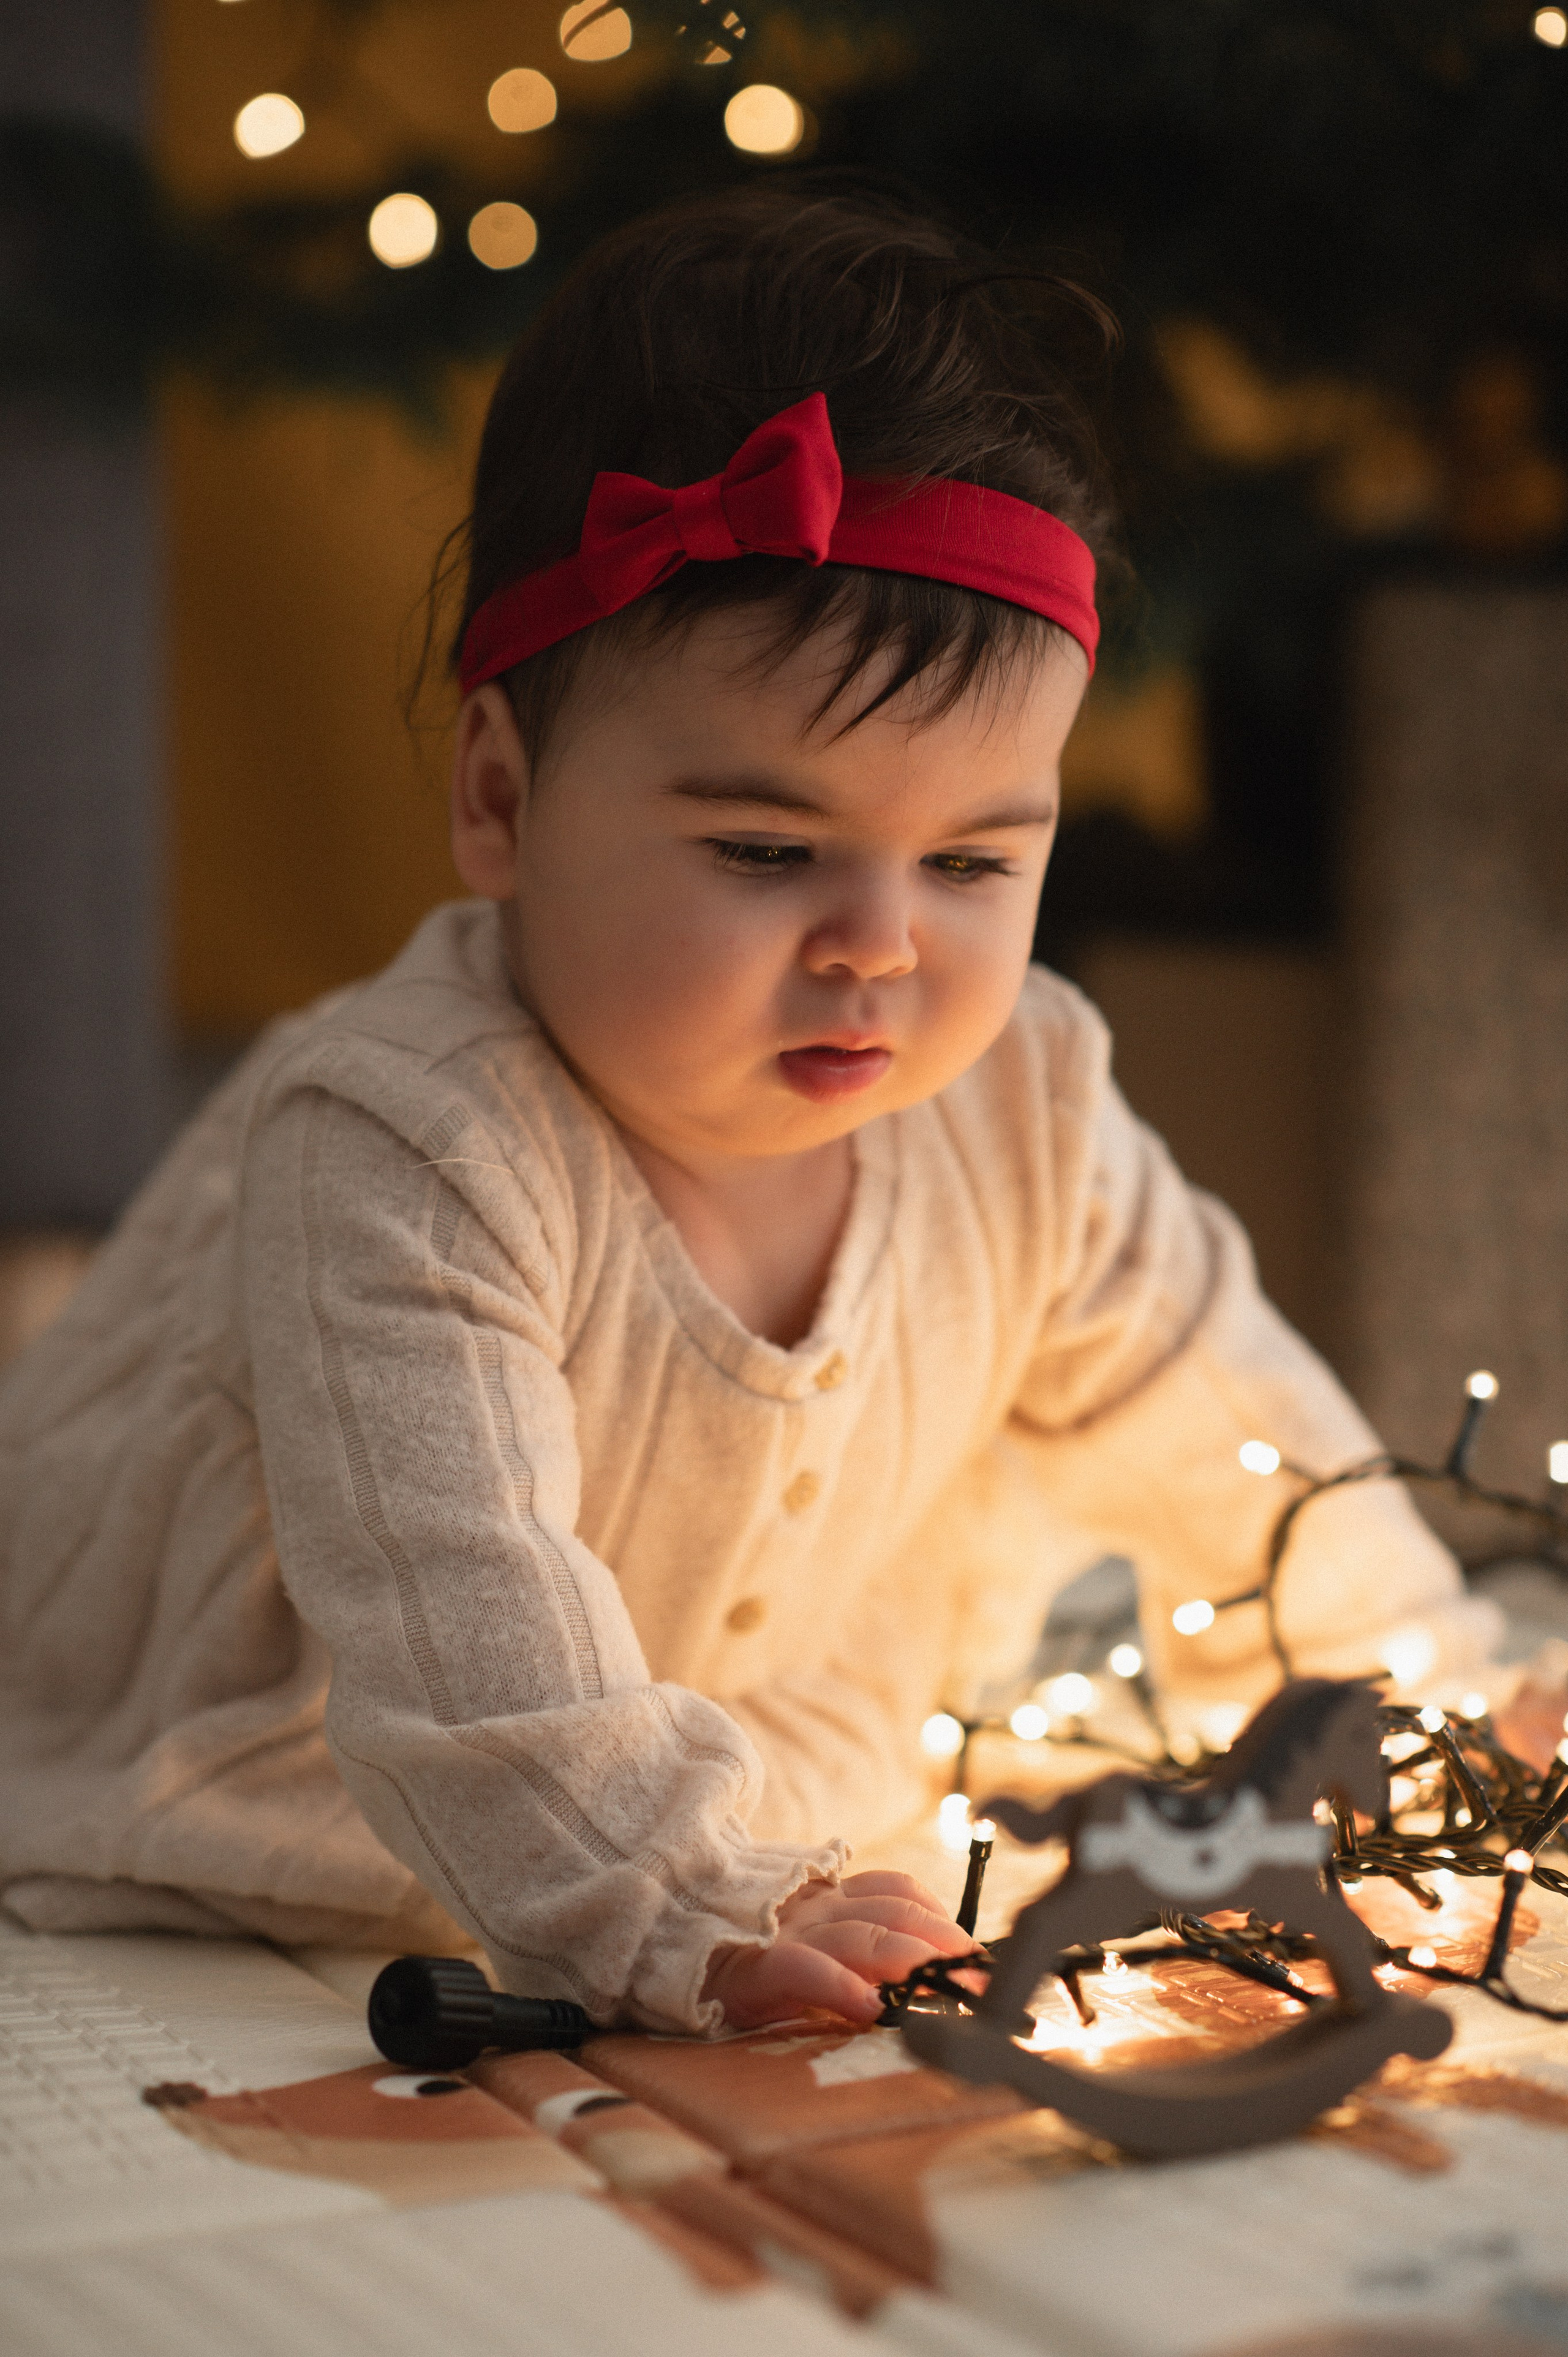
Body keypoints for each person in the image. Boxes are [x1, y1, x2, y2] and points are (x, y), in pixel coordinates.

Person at [0, 182, 1509, 2035]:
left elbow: (1227, 1406)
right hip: (267, 1782)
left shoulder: (1019, 1093)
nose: (879, 947)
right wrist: (666, 1901)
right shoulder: (407, 1140)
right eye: (767, 847)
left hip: (767, 1748)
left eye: (971, 856)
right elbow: (467, 1647)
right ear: (499, 799)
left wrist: (1432, 1683)